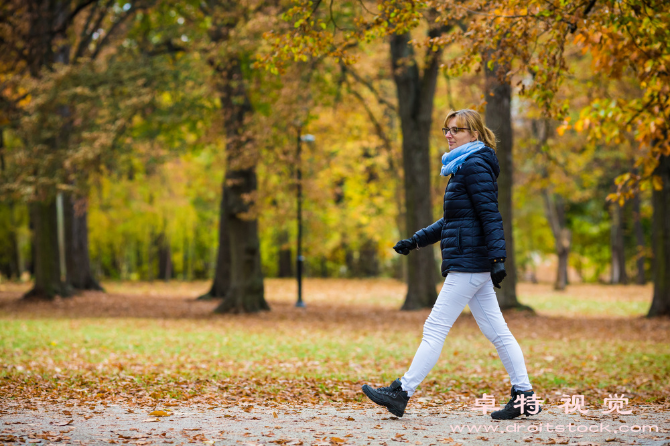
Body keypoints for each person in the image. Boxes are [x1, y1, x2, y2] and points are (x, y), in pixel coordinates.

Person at [361, 109, 542, 420]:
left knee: (435, 327)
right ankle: (524, 395)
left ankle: (402, 392)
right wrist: (416, 241)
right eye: (447, 129)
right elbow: (454, 219)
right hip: (471, 259)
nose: (449, 134)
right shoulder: (463, 165)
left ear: (473, 134)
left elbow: (490, 214)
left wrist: (499, 258)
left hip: (470, 261)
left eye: (457, 130)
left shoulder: (474, 165)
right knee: (497, 332)